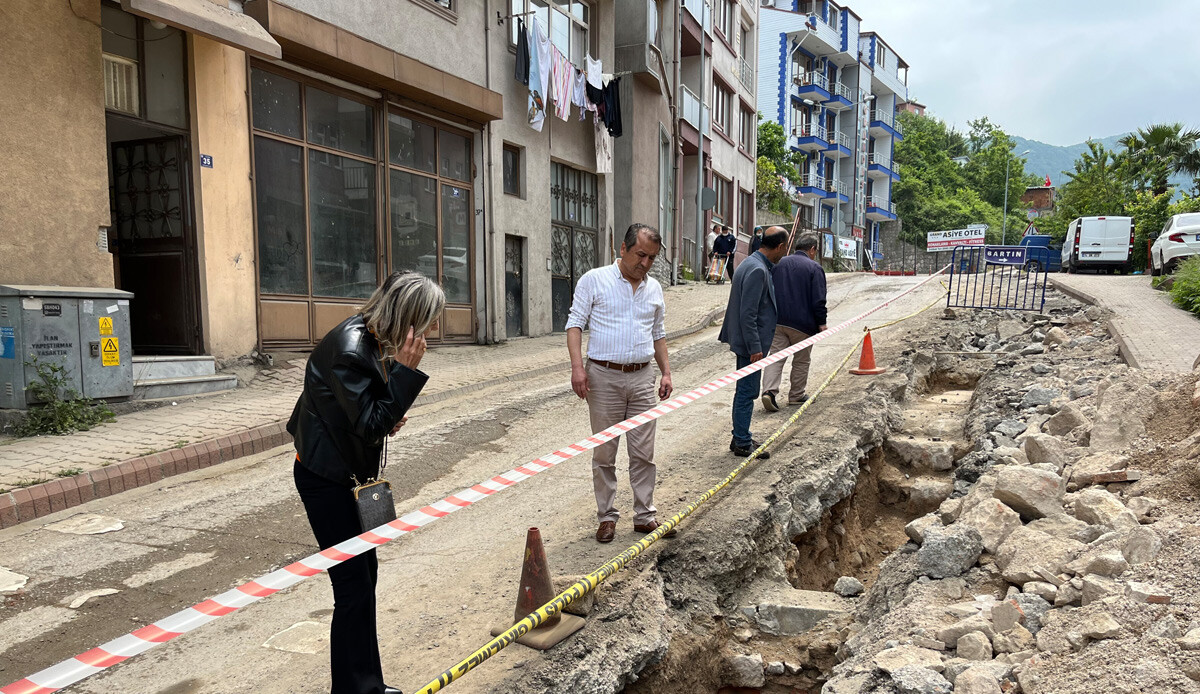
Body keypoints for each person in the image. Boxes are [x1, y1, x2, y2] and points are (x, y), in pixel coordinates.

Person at [288, 271, 445, 694]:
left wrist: (386, 413)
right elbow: (371, 420)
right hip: (326, 480)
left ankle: (365, 686)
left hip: (343, 472)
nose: (431, 332)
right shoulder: (352, 348)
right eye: (427, 321)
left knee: (363, 580)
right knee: (352, 588)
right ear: (408, 318)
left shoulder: (371, 339)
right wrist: (405, 377)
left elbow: (365, 416)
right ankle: (357, 690)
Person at [567, 223, 675, 543]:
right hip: (603, 377)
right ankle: (607, 517)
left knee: (644, 452)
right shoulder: (594, 281)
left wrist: (666, 372)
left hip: (642, 378)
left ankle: (644, 515)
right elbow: (575, 326)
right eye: (640, 255)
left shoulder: (653, 288)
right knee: (605, 453)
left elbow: (659, 334)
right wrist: (577, 368)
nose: (645, 263)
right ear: (623, 249)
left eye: (652, 258)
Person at [718, 226, 790, 457]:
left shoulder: (751, 263)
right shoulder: (758, 269)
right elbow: (747, 314)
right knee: (747, 391)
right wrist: (755, 347)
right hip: (751, 346)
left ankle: (740, 436)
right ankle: (741, 441)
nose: (785, 252)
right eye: (785, 248)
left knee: (745, 390)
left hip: (748, 342)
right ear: (779, 247)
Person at [761, 233, 828, 411]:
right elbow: (819, 299)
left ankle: (769, 392)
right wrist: (822, 322)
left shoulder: (779, 263)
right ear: (812, 249)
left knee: (775, 357)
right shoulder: (814, 268)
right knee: (801, 360)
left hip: (778, 321)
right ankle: (797, 395)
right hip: (803, 324)